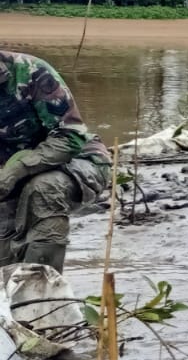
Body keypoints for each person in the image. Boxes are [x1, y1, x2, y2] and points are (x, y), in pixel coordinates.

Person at [0, 51, 112, 273]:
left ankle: (41, 292)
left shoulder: (31, 72)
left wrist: (17, 170)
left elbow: (70, 136)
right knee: (7, 251)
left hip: (78, 160)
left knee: (43, 190)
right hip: (11, 175)